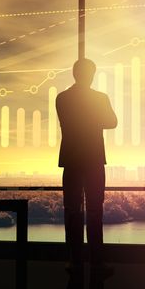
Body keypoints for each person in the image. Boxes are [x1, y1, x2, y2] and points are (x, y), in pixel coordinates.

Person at [56, 58, 117, 276]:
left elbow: (70, 122)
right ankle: (97, 263)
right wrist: (94, 117)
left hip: (71, 160)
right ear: (91, 75)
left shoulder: (62, 98)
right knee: (95, 211)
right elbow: (112, 122)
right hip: (93, 160)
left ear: (74, 74)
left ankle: (74, 261)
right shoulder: (100, 98)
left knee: (72, 211)